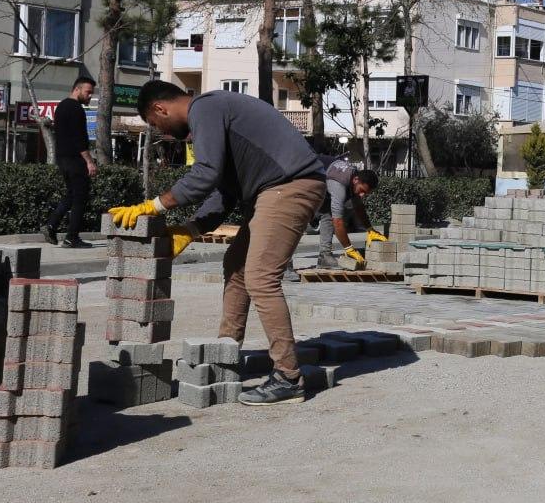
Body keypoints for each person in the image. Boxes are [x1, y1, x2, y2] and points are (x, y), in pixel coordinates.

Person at [109, 81, 325, 407]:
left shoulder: (205, 107)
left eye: (156, 125)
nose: (163, 133)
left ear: (160, 108)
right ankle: (225, 352)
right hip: (275, 188)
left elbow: (204, 175)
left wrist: (153, 206)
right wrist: (191, 229)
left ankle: (288, 377)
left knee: (260, 277)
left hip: (290, 185)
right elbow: (223, 192)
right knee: (236, 265)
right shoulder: (214, 114)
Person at [43, 76, 97, 248]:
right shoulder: (76, 109)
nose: (90, 96)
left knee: (71, 194)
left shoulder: (61, 107)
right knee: (80, 197)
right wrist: (89, 161)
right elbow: (79, 139)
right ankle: (71, 237)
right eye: (88, 92)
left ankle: (51, 225)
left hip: (62, 158)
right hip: (75, 159)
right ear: (77, 89)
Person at [314, 158, 383, 269]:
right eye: (362, 191)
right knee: (296, 218)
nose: (362, 195)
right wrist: (349, 248)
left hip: (323, 180)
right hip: (304, 178)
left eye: (365, 193)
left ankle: (324, 257)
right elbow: (337, 222)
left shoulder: (355, 178)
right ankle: (286, 263)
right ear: (356, 180)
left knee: (328, 214)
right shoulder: (339, 185)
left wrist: (370, 229)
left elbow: (358, 206)